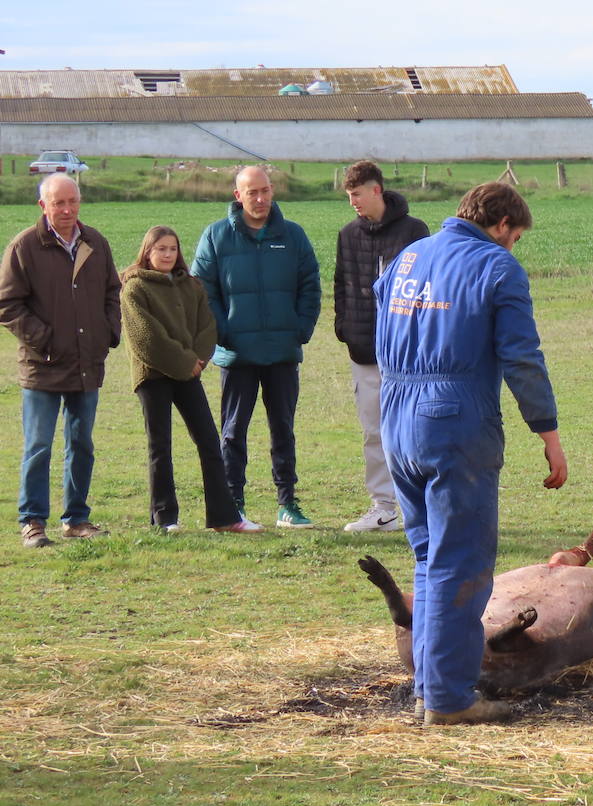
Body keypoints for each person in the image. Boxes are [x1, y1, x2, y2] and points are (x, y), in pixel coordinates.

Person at [375, 181, 567, 725]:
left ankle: (428, 684)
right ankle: (450, 699)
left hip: (395, 415)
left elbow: (378, 319)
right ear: (502, 223)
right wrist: (547, 432)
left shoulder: (408, 256)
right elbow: (522, 359)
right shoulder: (496, 268)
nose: (513, 248)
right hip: (454, 419)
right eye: (516, 238)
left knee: (427, 557)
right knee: (460, 563)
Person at [191, 166, 321, 529]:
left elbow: (310, 284)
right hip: (237, 355)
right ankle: (233, 504)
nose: (260, 199)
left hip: (282, 352)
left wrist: (300, 328)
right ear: (238, 196)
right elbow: (203, 290)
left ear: (273, 190)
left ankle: (287, 504)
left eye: (265, 191)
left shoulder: (292, 235)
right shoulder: (216, 237)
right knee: (233, 431)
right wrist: (225, 333)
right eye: (252, 193)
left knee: (283, 429)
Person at [0, 174, 121, 547]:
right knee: (38, 445)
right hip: (42, 366)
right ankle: (33, 521)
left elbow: (112, 293)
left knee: (81, 443)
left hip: (87, 363)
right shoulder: (24, 247)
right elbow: (7, 304)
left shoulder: (95, 243)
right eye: (58, 203)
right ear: (43, 206)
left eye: (73, 201)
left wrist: (107, 335)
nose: (67, 210)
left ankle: (76, 518)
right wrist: (44, 341)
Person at [121, 227, 263, 534]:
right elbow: (146, 338)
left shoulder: (191, 285)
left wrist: (197, 359)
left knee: (209, 441)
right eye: (161, 249)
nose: (168, 254)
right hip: (153, 375)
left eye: (172, 248)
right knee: (160, 446)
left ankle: (225, 517)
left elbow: (206, 327)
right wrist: (186, 361)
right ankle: (165, 519)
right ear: (148, 252)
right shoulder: (134, 289)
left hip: (189, 374)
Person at [334, 161, 430, 532]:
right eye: (349, 196)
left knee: (412, 429)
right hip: (364, 352)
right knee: (373, 431)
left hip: (408, 354)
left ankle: (423, 508)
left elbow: (426, 285)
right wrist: (345, 328)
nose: (353, 202)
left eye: (357, 194)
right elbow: (341, 283)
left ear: (377, 190)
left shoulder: (414, 231)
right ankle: (383, 508)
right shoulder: (347, 234)